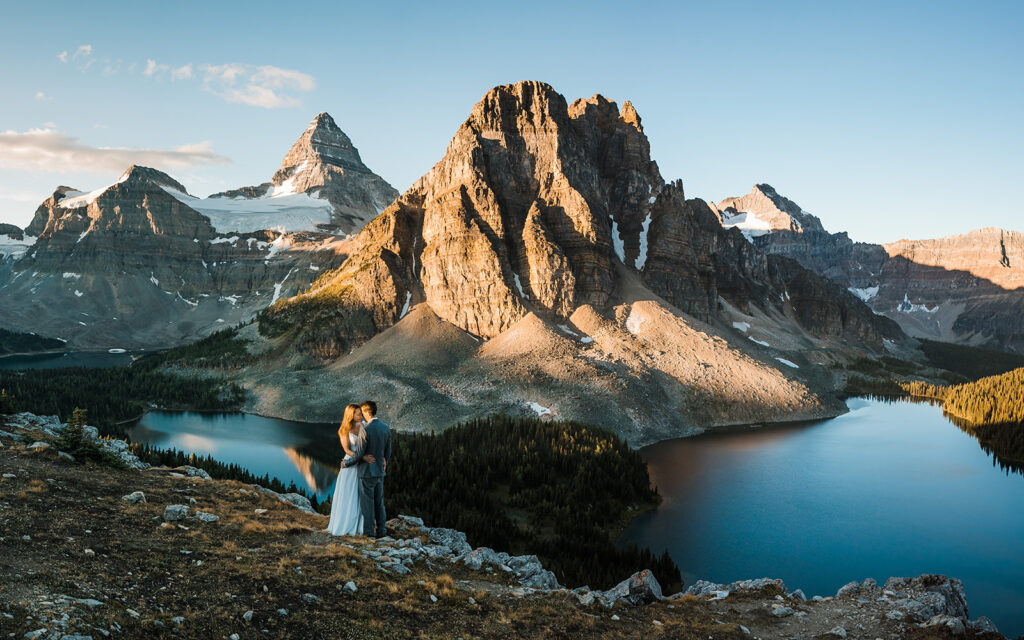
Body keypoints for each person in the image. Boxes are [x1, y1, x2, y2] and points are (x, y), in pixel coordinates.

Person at [342, 400, 391, 538]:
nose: (361, 415)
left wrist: (346, 463)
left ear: (367, 412)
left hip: (366, 473)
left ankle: (369, 534)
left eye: (362, 412)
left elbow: (359, 454)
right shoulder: (385, 427)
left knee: (367, 505)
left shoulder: (366, 430)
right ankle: (382, 531)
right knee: (379, 503)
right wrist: (384, 462)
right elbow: (388, 451)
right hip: (380, 472)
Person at [326, 403, 376, 536]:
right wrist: (362, 457)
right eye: (357, 413)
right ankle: (345, 526)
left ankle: (359, 527)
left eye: (361, 413)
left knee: (360, 496)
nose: (360, 415)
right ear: (350, 415)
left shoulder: (365, 426)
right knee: (348, 494)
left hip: (361, 466)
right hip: (350, 466)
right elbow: (347, 450)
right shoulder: (344, 429)